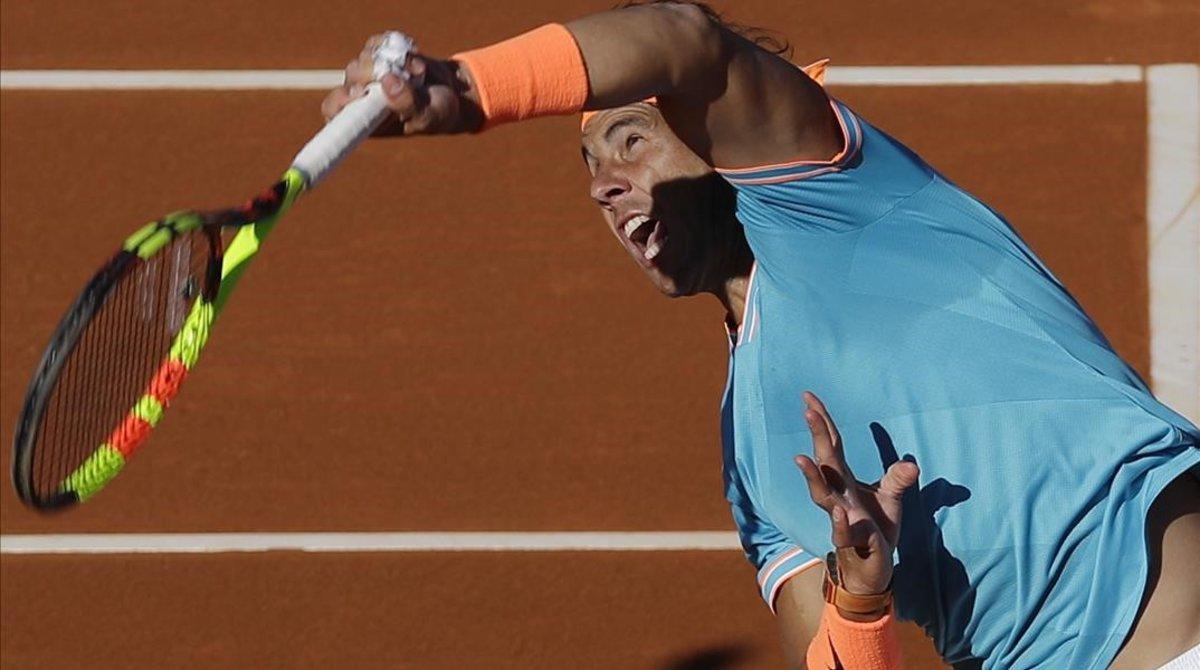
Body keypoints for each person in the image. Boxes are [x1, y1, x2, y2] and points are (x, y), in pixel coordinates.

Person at [321, 3, 1200, 667]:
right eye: (589, 165)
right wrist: (860, 593)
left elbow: (688, 39)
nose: (604, 185)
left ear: (717, 143)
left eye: (632, 143)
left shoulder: (836, 201)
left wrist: (471, 90)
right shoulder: (752, 458)